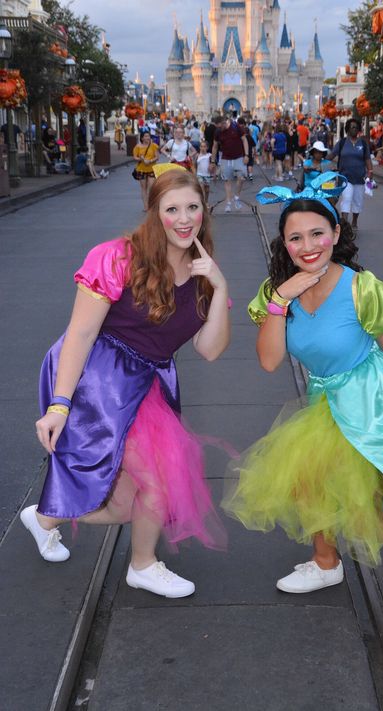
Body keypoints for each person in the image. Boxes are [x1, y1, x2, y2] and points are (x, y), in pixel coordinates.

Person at [223, 173, 383, 603]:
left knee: (366, 520)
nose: (308, 246)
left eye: (317, 233)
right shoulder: (277, 293)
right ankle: (325, 563)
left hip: (372, 401)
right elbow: (269, 362)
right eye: (295, 237)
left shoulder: (361, 288)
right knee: (309, 485)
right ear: (284, 244)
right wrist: (280, 301)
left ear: (336, 233)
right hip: (326, 400)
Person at [21, 168, 230, 599]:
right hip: (101, 376)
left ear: (204, 211)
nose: (184, 218)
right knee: (159, 478)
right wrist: (59, 405)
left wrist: (220, 283)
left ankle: (45, 518)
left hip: (151, 379)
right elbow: (80, 333)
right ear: (154, 212)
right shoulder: (118, 257)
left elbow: (211, 350)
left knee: (126, 500)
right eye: (172, 209)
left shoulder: (203, 269)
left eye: (193, 208)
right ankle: (143, 565)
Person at [329, 119, 373, 236]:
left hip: (359, 178)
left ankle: (354, 222)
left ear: (358, 129)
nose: (353, 129)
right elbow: (332, 155)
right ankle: (344, 224)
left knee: (357, 202)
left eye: (355, 127)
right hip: (345, 177)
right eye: (351, 127)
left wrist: (370, 172)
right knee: (346, 198)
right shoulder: (342, 143)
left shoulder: (363, 144)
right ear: (347, 129)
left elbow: (367, 159)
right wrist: (319, 159)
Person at [210, 115, 249, 213]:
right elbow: (215, 146)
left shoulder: (236, 127)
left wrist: (247, 155)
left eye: (219, 126)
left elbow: (244, 140)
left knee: (242, 178)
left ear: (225, 122)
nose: (218, 129)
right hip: (226, 158)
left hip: (239, 157)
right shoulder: (218, 132)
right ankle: (228, 202)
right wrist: (213, 161)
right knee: (227, 180)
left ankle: (236, 197)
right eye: (217, 127)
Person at [133, 131, 159, 210]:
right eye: (146, 136)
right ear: (142, 138)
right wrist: (141, 159)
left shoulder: (154, 145)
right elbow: (135, 158)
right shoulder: (137, 147)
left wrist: (150, 161)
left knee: (151, 187)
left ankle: (150, 203)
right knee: (143, 188)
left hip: (151, 168)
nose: (147, 138)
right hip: (141, 169)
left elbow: (157, 157)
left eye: (148, 136)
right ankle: (145, 206)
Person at [196, 139, 212, 204]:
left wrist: (213, 173)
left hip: (207, 174)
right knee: (201, 188)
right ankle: (202, 203)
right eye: (201, 146)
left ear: (207, 148)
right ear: (199, 147)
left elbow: (213, 165)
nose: (203, 148)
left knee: (207, 190)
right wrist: (194, 173)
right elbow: (194, 165)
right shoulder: (197, 155)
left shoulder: (209, 155)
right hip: (199, 174)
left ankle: (206, 201)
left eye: (204, 146)